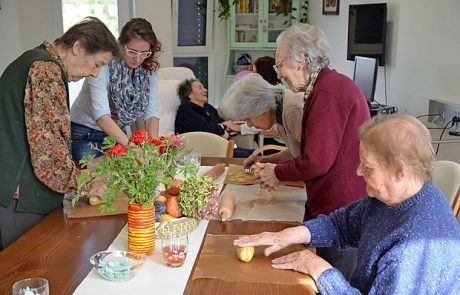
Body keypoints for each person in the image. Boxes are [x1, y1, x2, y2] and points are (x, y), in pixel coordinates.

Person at [234, 113, 460, 294]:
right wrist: (288, 235)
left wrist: (321, 270)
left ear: (400, 171)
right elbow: (341, 224)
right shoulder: (391, 198)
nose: (358, 172)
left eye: (368, 167)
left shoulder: (414, 247)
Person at [250, 23, 371, 279]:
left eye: (280, 64)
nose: (279, 73)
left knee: (335, 280)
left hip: (341, 206)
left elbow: (316, 161)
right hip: (338, 204)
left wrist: (278, 173)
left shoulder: (328, 92)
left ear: (302, 60)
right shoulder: (325, 87)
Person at [0, 17, 119, 250]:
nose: (95, 74)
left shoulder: (37, 63)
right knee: (26, 275)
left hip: (18, 195)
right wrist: (85, 185)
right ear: (78, 47)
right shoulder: (45, 70)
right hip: (18, 198)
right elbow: (48, 153)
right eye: (96, 64)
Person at [71, 18, 162, 162]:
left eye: (145, 53)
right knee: (96, 180)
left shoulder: (148, 73)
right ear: (121, 45)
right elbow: (102, 117)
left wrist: (152, 148)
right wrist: (132, 148)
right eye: (132, 52)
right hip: (86, 133)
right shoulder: (103, 65)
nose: (138, 59)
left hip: (117, 132)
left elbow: (151, 114)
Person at [222, 73, 303, 163]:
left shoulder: (292, 111)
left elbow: (312, 161)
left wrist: (275, 173)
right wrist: (263, 160)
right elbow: (294, 153)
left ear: (260, 107)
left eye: (248, 119)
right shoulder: (279, 112)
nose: (249, 125)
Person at [174, 78, 253, 158]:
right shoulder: (186, 110)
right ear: (189, 94)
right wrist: (223, 128)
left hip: (220, 146)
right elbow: (206, 128)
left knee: (255, 154)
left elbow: (221, 123)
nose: (205, 90)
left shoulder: (208, 107)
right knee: (248, 156)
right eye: (200, 88)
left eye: (204, 87)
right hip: (202, 150)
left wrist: (226, 129)